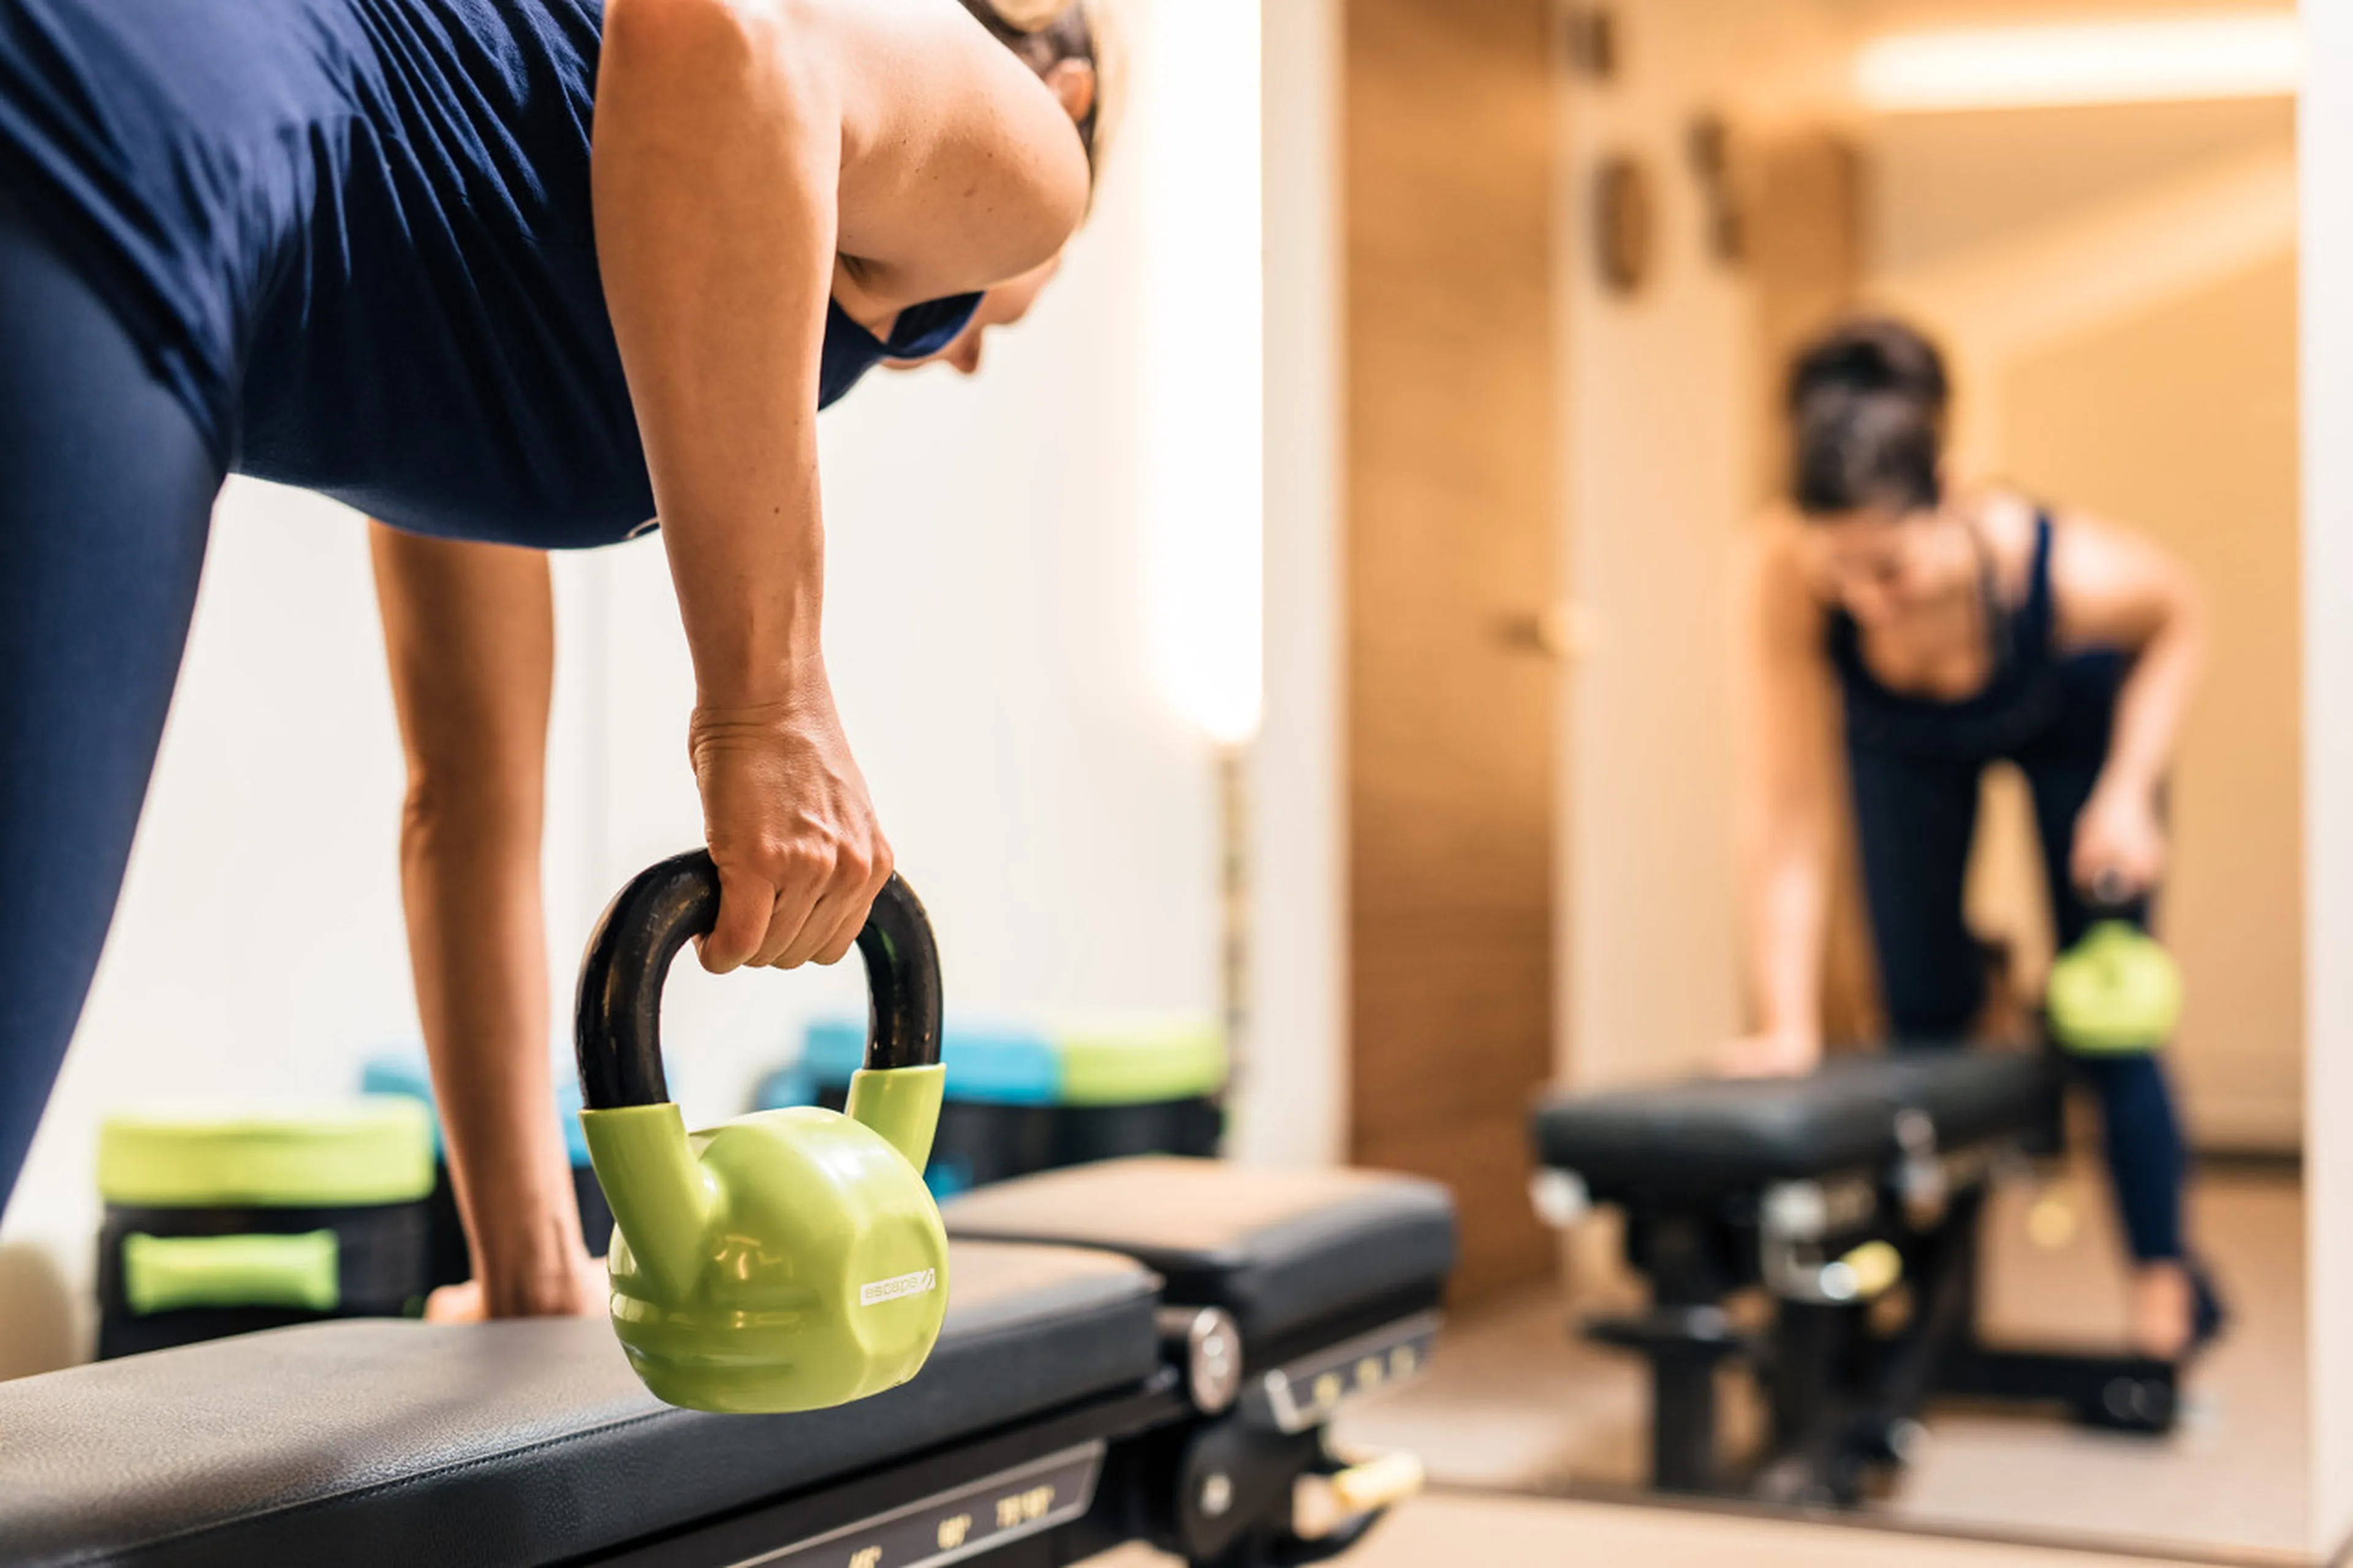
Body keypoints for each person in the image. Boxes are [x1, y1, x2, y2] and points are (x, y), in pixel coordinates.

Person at [0, 0, 1112, 1317]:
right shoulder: (1033, 165)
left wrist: (529, 1257)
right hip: (106, 159)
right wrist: (770, 709)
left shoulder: (491, 188)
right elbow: (717, 37)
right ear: (1069, 95)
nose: (969, 359)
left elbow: (466, 796)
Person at [1724, 316, 2222, 1359]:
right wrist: (1787, 1021)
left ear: (1948, 496)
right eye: (1841, 574)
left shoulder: (2075, 569)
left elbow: (2184, 614)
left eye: (1891, 569)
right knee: (1921, 1016)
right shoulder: (1786, 567)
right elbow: (1787, 812)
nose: (1866, 598)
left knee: (2109, 1005)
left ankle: (2165, 1294)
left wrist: (2127, 792)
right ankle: (1938, 1295)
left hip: (2075, 720)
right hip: (1906, 742)